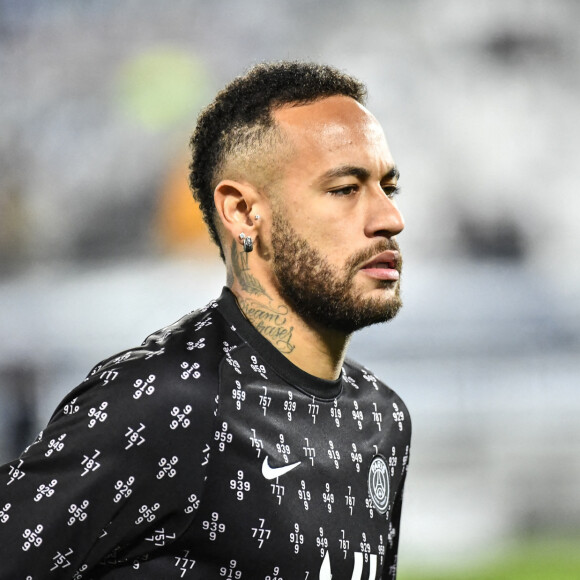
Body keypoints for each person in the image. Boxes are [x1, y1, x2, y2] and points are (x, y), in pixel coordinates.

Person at [0, 61, 411, 579]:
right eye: (345, 189)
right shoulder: (166, 399)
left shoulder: (382, 419)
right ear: (242, 213)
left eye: (387, 188)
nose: (390, 219)